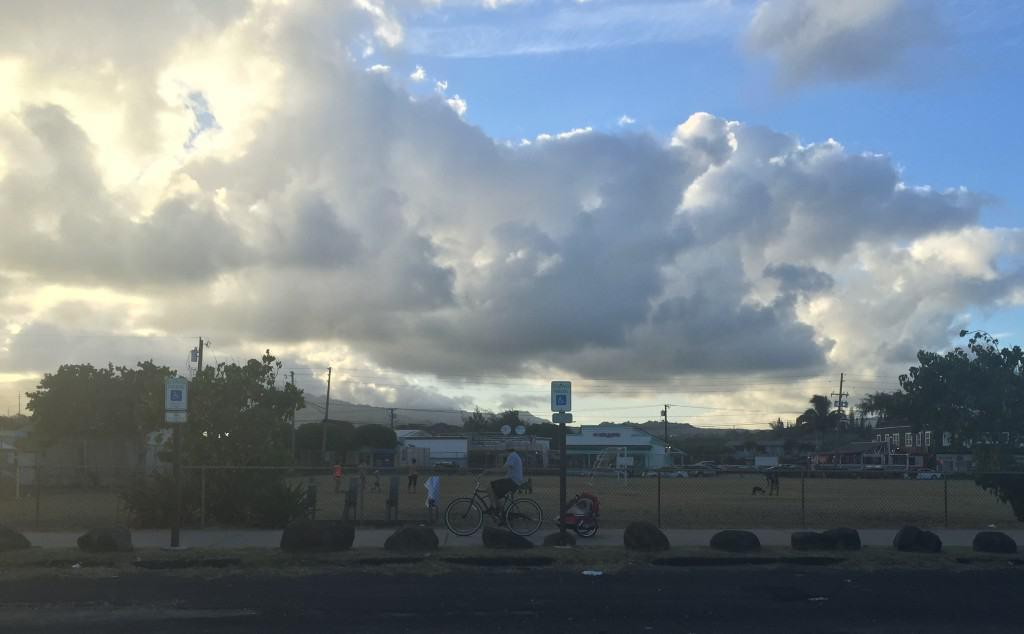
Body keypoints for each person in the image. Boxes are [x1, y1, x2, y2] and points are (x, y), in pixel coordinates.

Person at [489, 446, 525, 518]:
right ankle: (499, 511)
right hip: (513, 481)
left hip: (513, 482)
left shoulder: (512, 456)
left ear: (506, 450)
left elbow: (503, 469)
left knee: (490, 486)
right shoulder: (514, 455)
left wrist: (488, 470)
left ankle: (498, 510)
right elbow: (508, 471)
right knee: (493, 488)